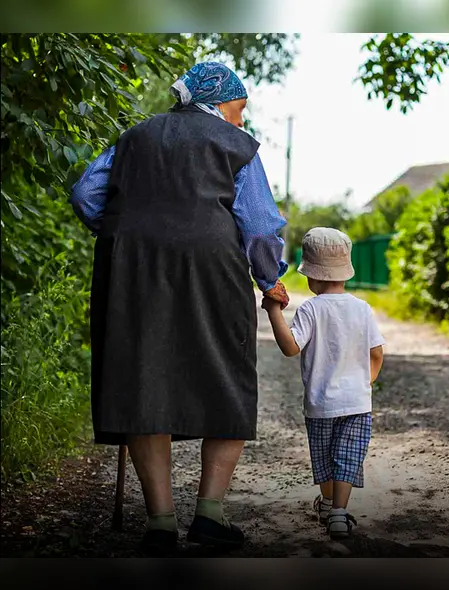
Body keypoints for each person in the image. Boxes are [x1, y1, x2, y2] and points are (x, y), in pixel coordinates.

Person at [69, 62, 290, 554]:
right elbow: (258, 226)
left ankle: (161, 523)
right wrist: (270, 278)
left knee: (141, 377)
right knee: (226, 374)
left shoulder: (135, 137)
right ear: (221, 101)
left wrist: (128, 231)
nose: (239, 119)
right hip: (213, 268)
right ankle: (210, 515)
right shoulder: (238, 145)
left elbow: (86, 193)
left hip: (134, 270)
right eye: (238, 108)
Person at [261, 227, 385, 539]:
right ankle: (339, 514)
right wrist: (365, 382)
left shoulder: (311, 309)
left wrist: (274, 311)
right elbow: (377, 354)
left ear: (312, 276)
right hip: (357, 402)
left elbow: (291, 347)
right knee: (347, 457)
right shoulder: (363, 308)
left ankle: (328, 503)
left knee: (325, 458)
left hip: (320, 403)